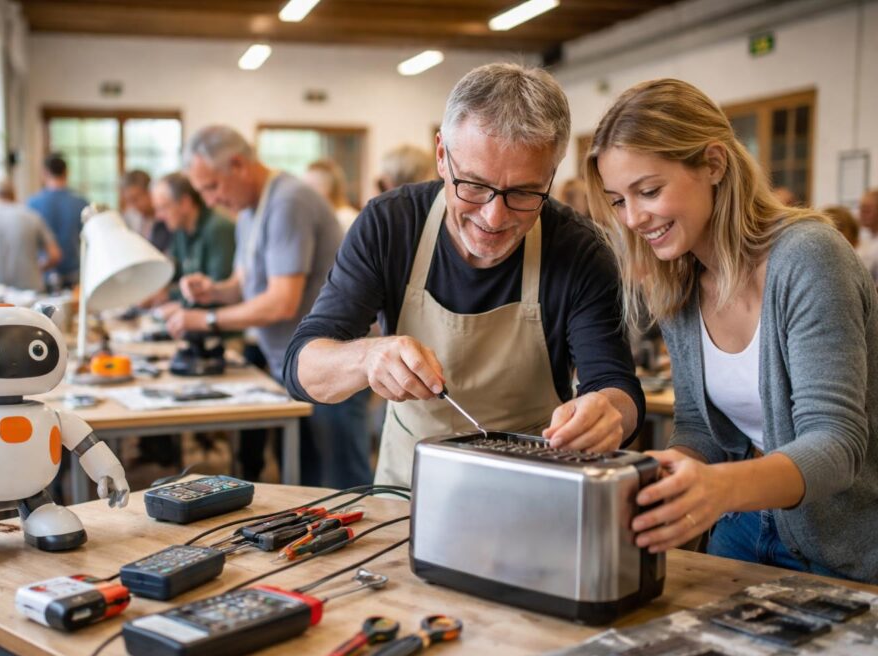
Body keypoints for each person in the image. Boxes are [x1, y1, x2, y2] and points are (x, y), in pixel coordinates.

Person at [285, 63, 644, 488]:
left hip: (532, 489)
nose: (494, 216)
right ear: (442, 155)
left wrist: (606, 413)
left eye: (524, 193)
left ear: (551, 173)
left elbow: (617, 388)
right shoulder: (391, 224)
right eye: (473, 185)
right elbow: (301, 367)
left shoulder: (579, 249)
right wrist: (366, 357)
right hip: (407, 492)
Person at [587, 78, 878, 583]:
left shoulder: (809, 257)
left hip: (845, 545)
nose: (633, 217)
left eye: (649, 191)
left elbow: (835, 444)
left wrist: (718, 487)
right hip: (742, 529)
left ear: (714, 165)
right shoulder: (676, 277)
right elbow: (702, 432)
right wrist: (661, 471)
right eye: (617, 200)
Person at [175, 125, 369, 488]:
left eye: (213, 187)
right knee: (307, 475)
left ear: (238, 165)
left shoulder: (288, 202)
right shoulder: (249, 211)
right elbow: (243, 285)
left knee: (343, 480)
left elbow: (281, 302)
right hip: (294, 367)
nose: (212, 201)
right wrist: (212, 291)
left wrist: (207, 318)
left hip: (334, 362)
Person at [0, 177, 62, 291]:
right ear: (13, 194)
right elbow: (55, 255)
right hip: (30, 291)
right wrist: (37, 268)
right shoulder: (33, 217)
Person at [153, 172, 236, 290]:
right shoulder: (180, 230)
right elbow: (174, 274)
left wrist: (169, 296)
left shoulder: (218, 229)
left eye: (163, 208)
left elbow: (216, 290)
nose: (159, 216)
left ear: (185, 203)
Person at [26, 154, 88, 287]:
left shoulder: (32, 204)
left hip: (44, 274)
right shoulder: (81, 203)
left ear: (44, 173)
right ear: (66, 172)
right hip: (74, 273)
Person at [120, 169, 171, 253]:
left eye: (135, 199)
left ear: (150, 192)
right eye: (129, 201)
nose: (133, 206)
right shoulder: (130, 219)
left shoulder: (167, 217)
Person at [303, 159, 359, 232]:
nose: (308, 191)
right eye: (305, 185)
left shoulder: (346, 218)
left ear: (332, 188)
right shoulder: (313, 217)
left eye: (314, 185)